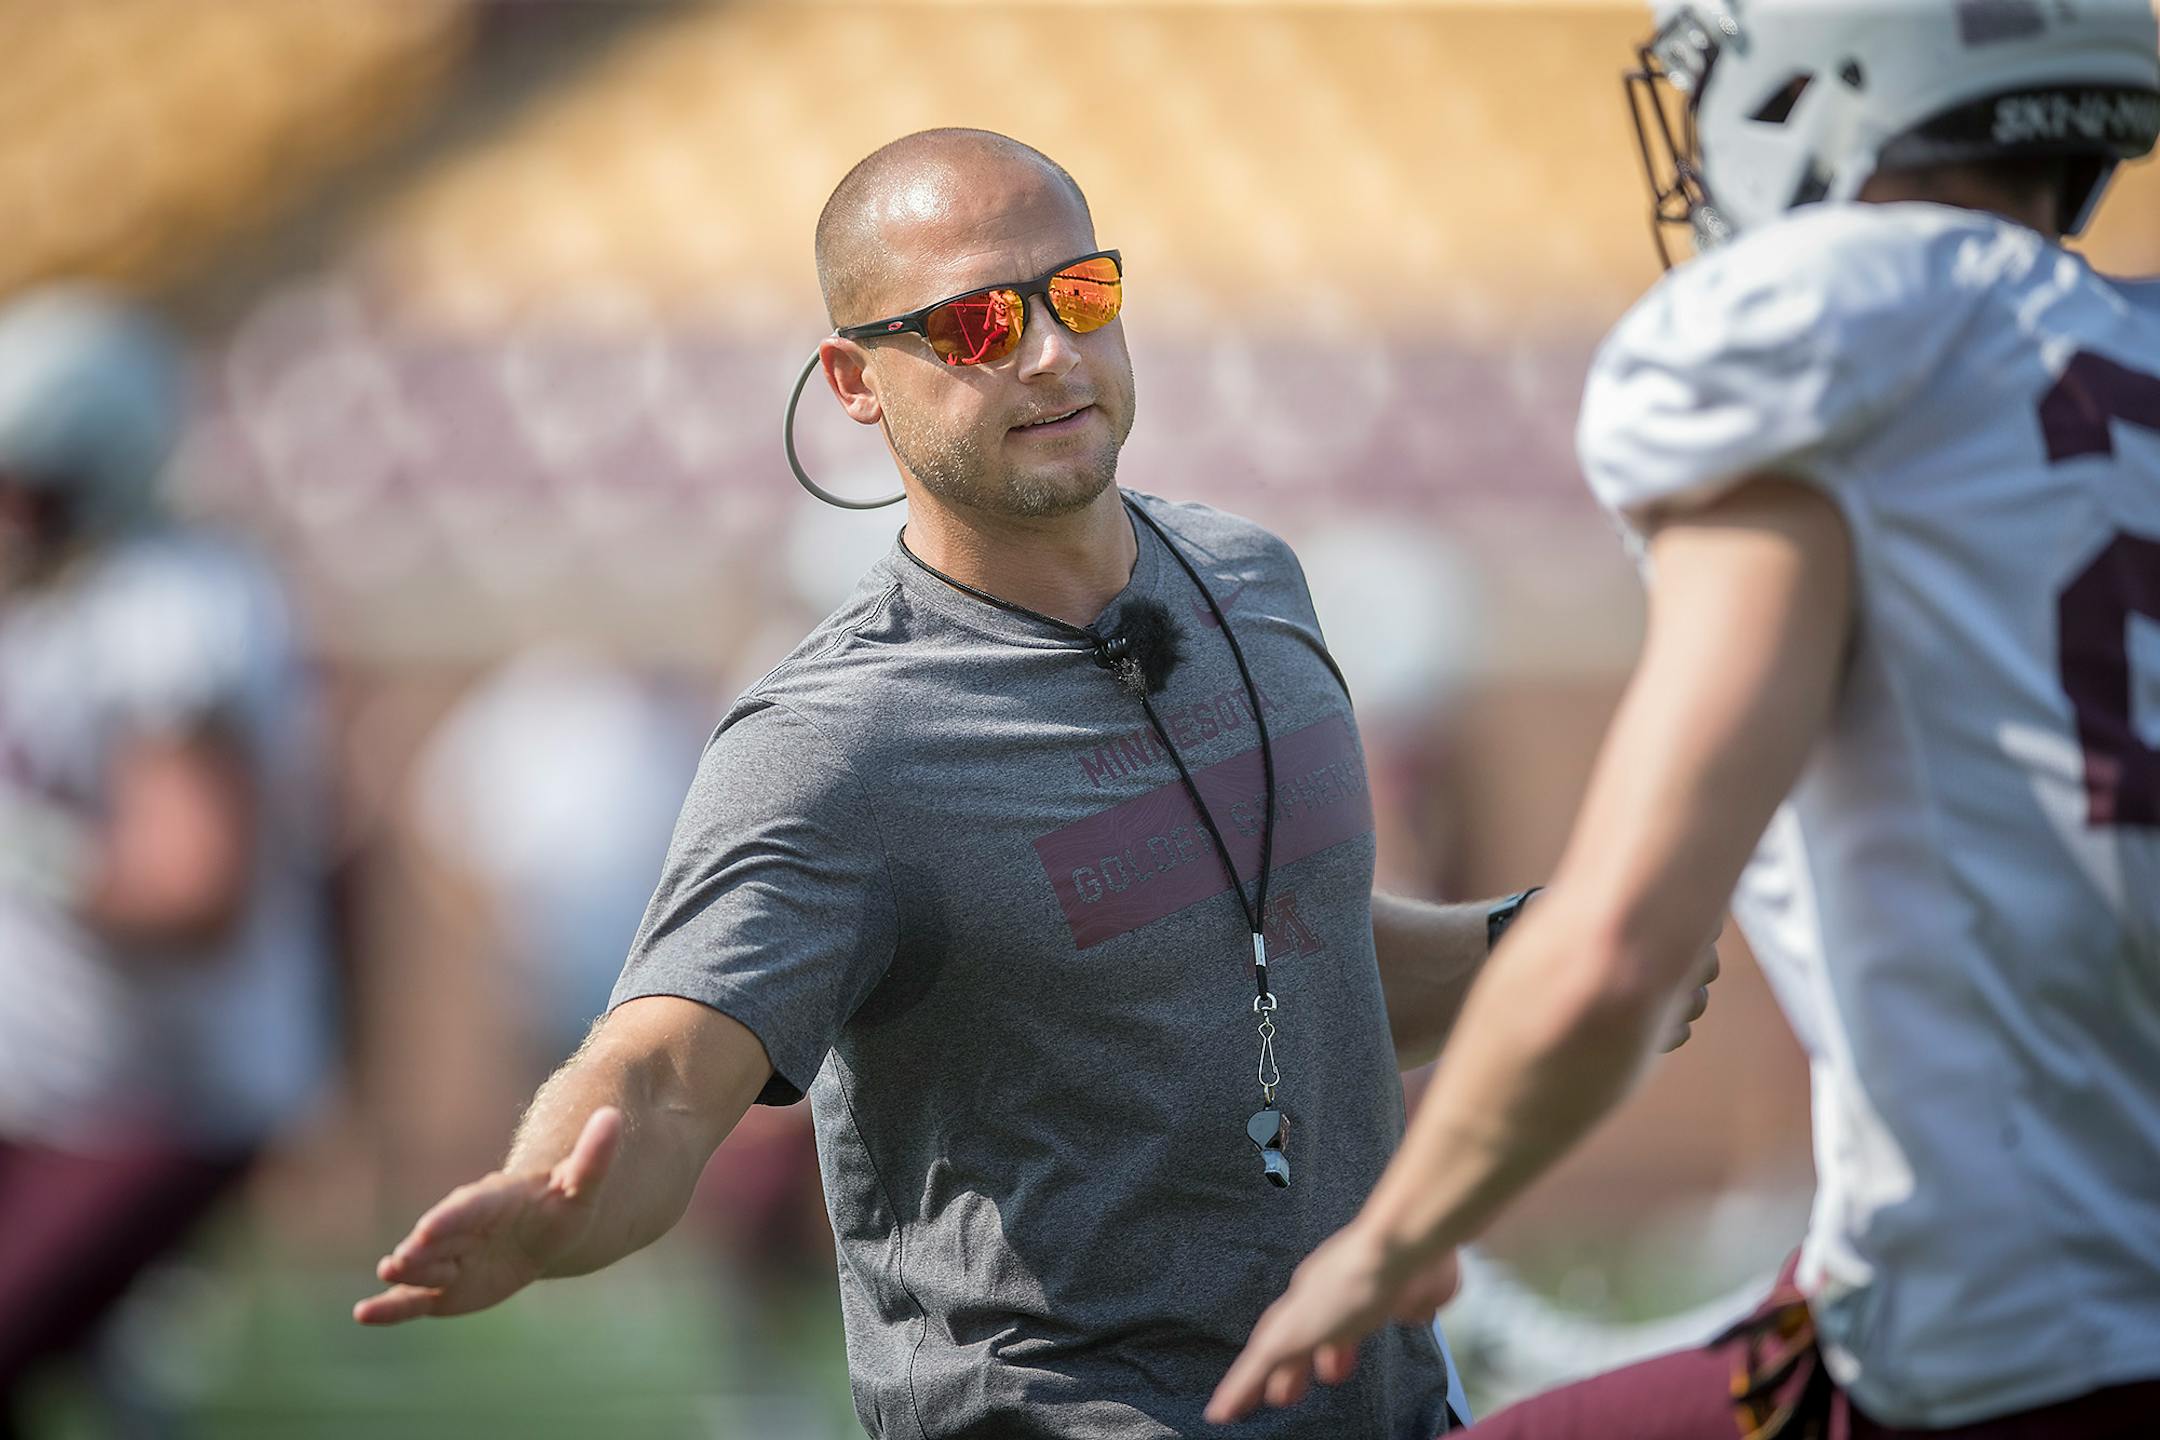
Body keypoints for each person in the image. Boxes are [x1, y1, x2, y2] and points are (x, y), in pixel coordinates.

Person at [354, 128, 1709, 1439]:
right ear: (854, 380)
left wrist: (1536, 951)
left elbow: (1287, 954)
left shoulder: (1257, 585)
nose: (1054, 353)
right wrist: (555, 1194)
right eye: (978, 328)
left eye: (1080, 294)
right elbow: (659, 1069)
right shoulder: (836, 735)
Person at [1210, 2, 2160, 1435]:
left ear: (1829, 79)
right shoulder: (2123, 340)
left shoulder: (1829, 333)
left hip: (2017, 1348)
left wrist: (1389, 1244)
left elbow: (1617, 950)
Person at [0, 288, 334, 1431]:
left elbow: (192, 886)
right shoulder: (62, 606)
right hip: (49, 1092)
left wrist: (27, 850)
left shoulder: (167, 607)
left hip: (152, 1095)